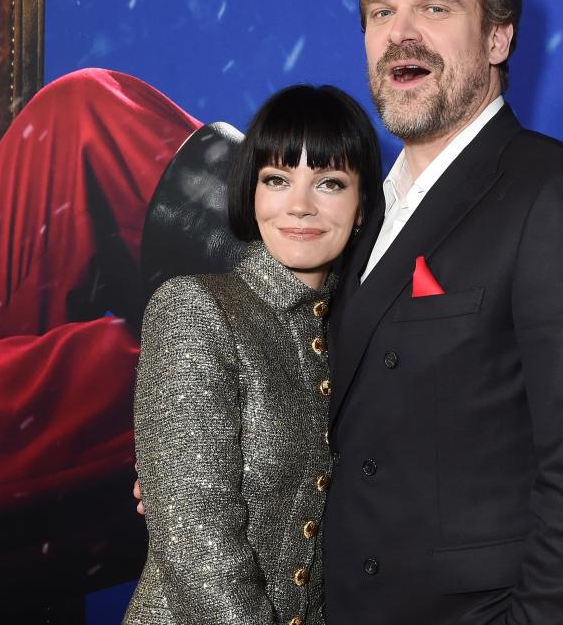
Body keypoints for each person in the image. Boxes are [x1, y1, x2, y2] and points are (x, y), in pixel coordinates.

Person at [321, 0, 563, 624]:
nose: (400, 35)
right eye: (380, 13)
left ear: (498, 36)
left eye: (435, 8)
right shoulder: (357, 215)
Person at [123, 84, 381, 625]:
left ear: (361, 208)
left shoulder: (358, 336)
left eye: (330, 183)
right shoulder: (195, 308)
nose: (301, 205)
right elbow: (198, 542)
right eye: (277, 180)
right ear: (252, 195)